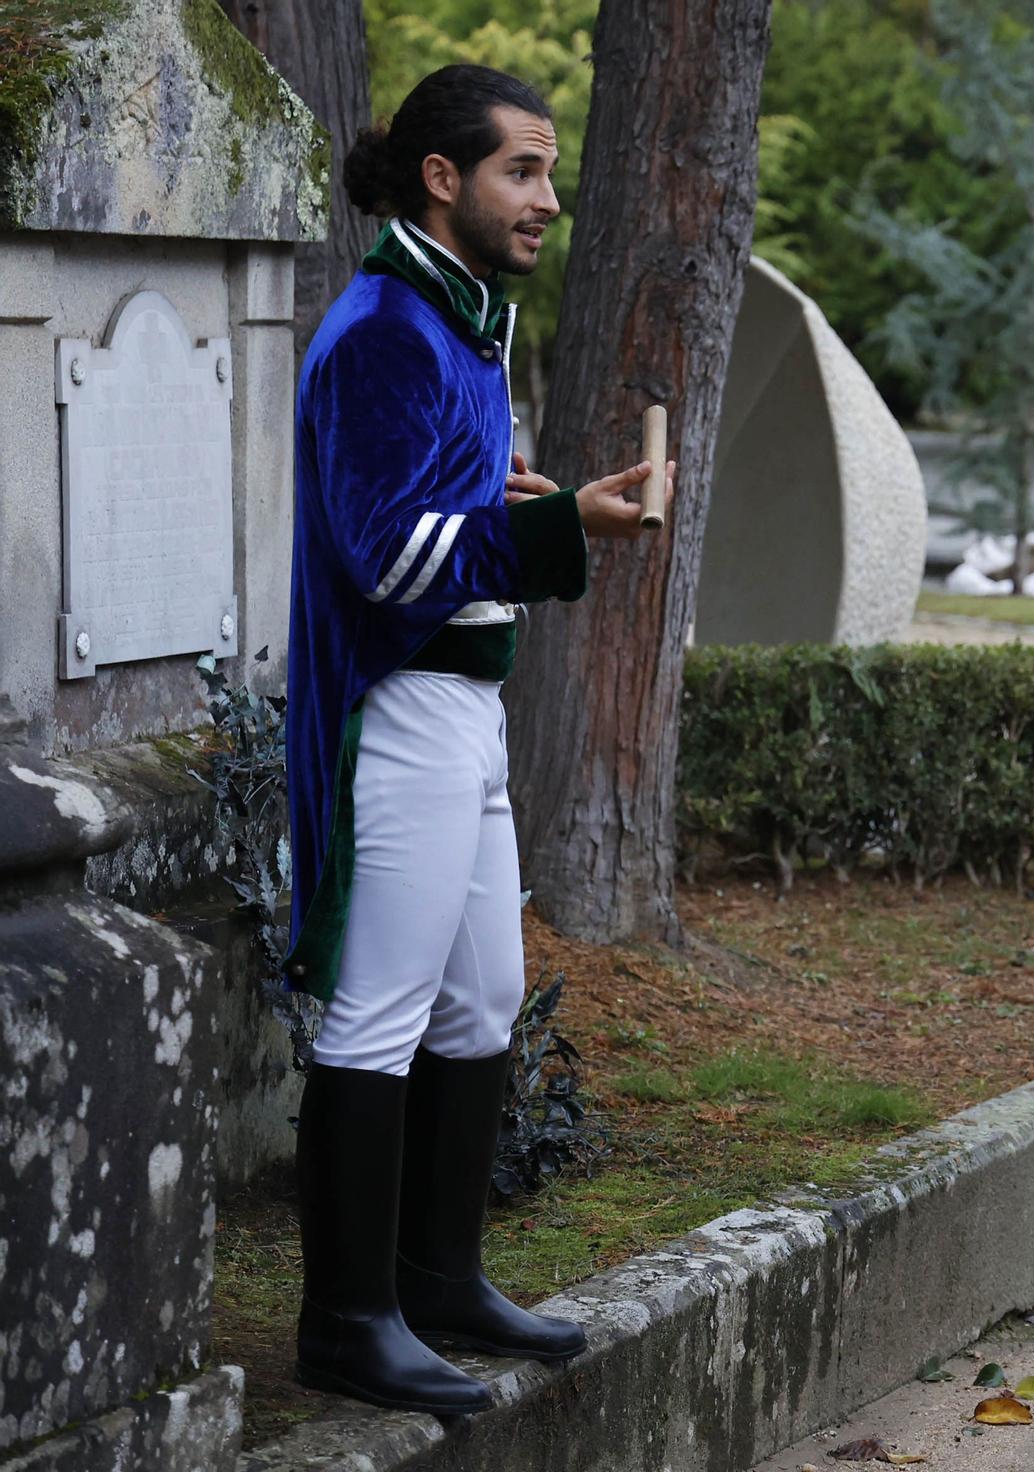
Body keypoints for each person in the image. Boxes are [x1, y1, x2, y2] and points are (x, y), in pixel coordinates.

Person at [283, 64, 674, 1415]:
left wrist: (549, 504)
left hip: (464, 703)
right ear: (443, 178)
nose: (550, 199)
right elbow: (386, 556)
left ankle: (439, 1282)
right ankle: (344, 1321)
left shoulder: (461, 318)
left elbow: (444, 508)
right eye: (524, 171)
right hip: (395, 703)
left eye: (552, 174)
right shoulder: (387, 324)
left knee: (482, 998)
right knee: (378, 1009)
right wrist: (570, 529)